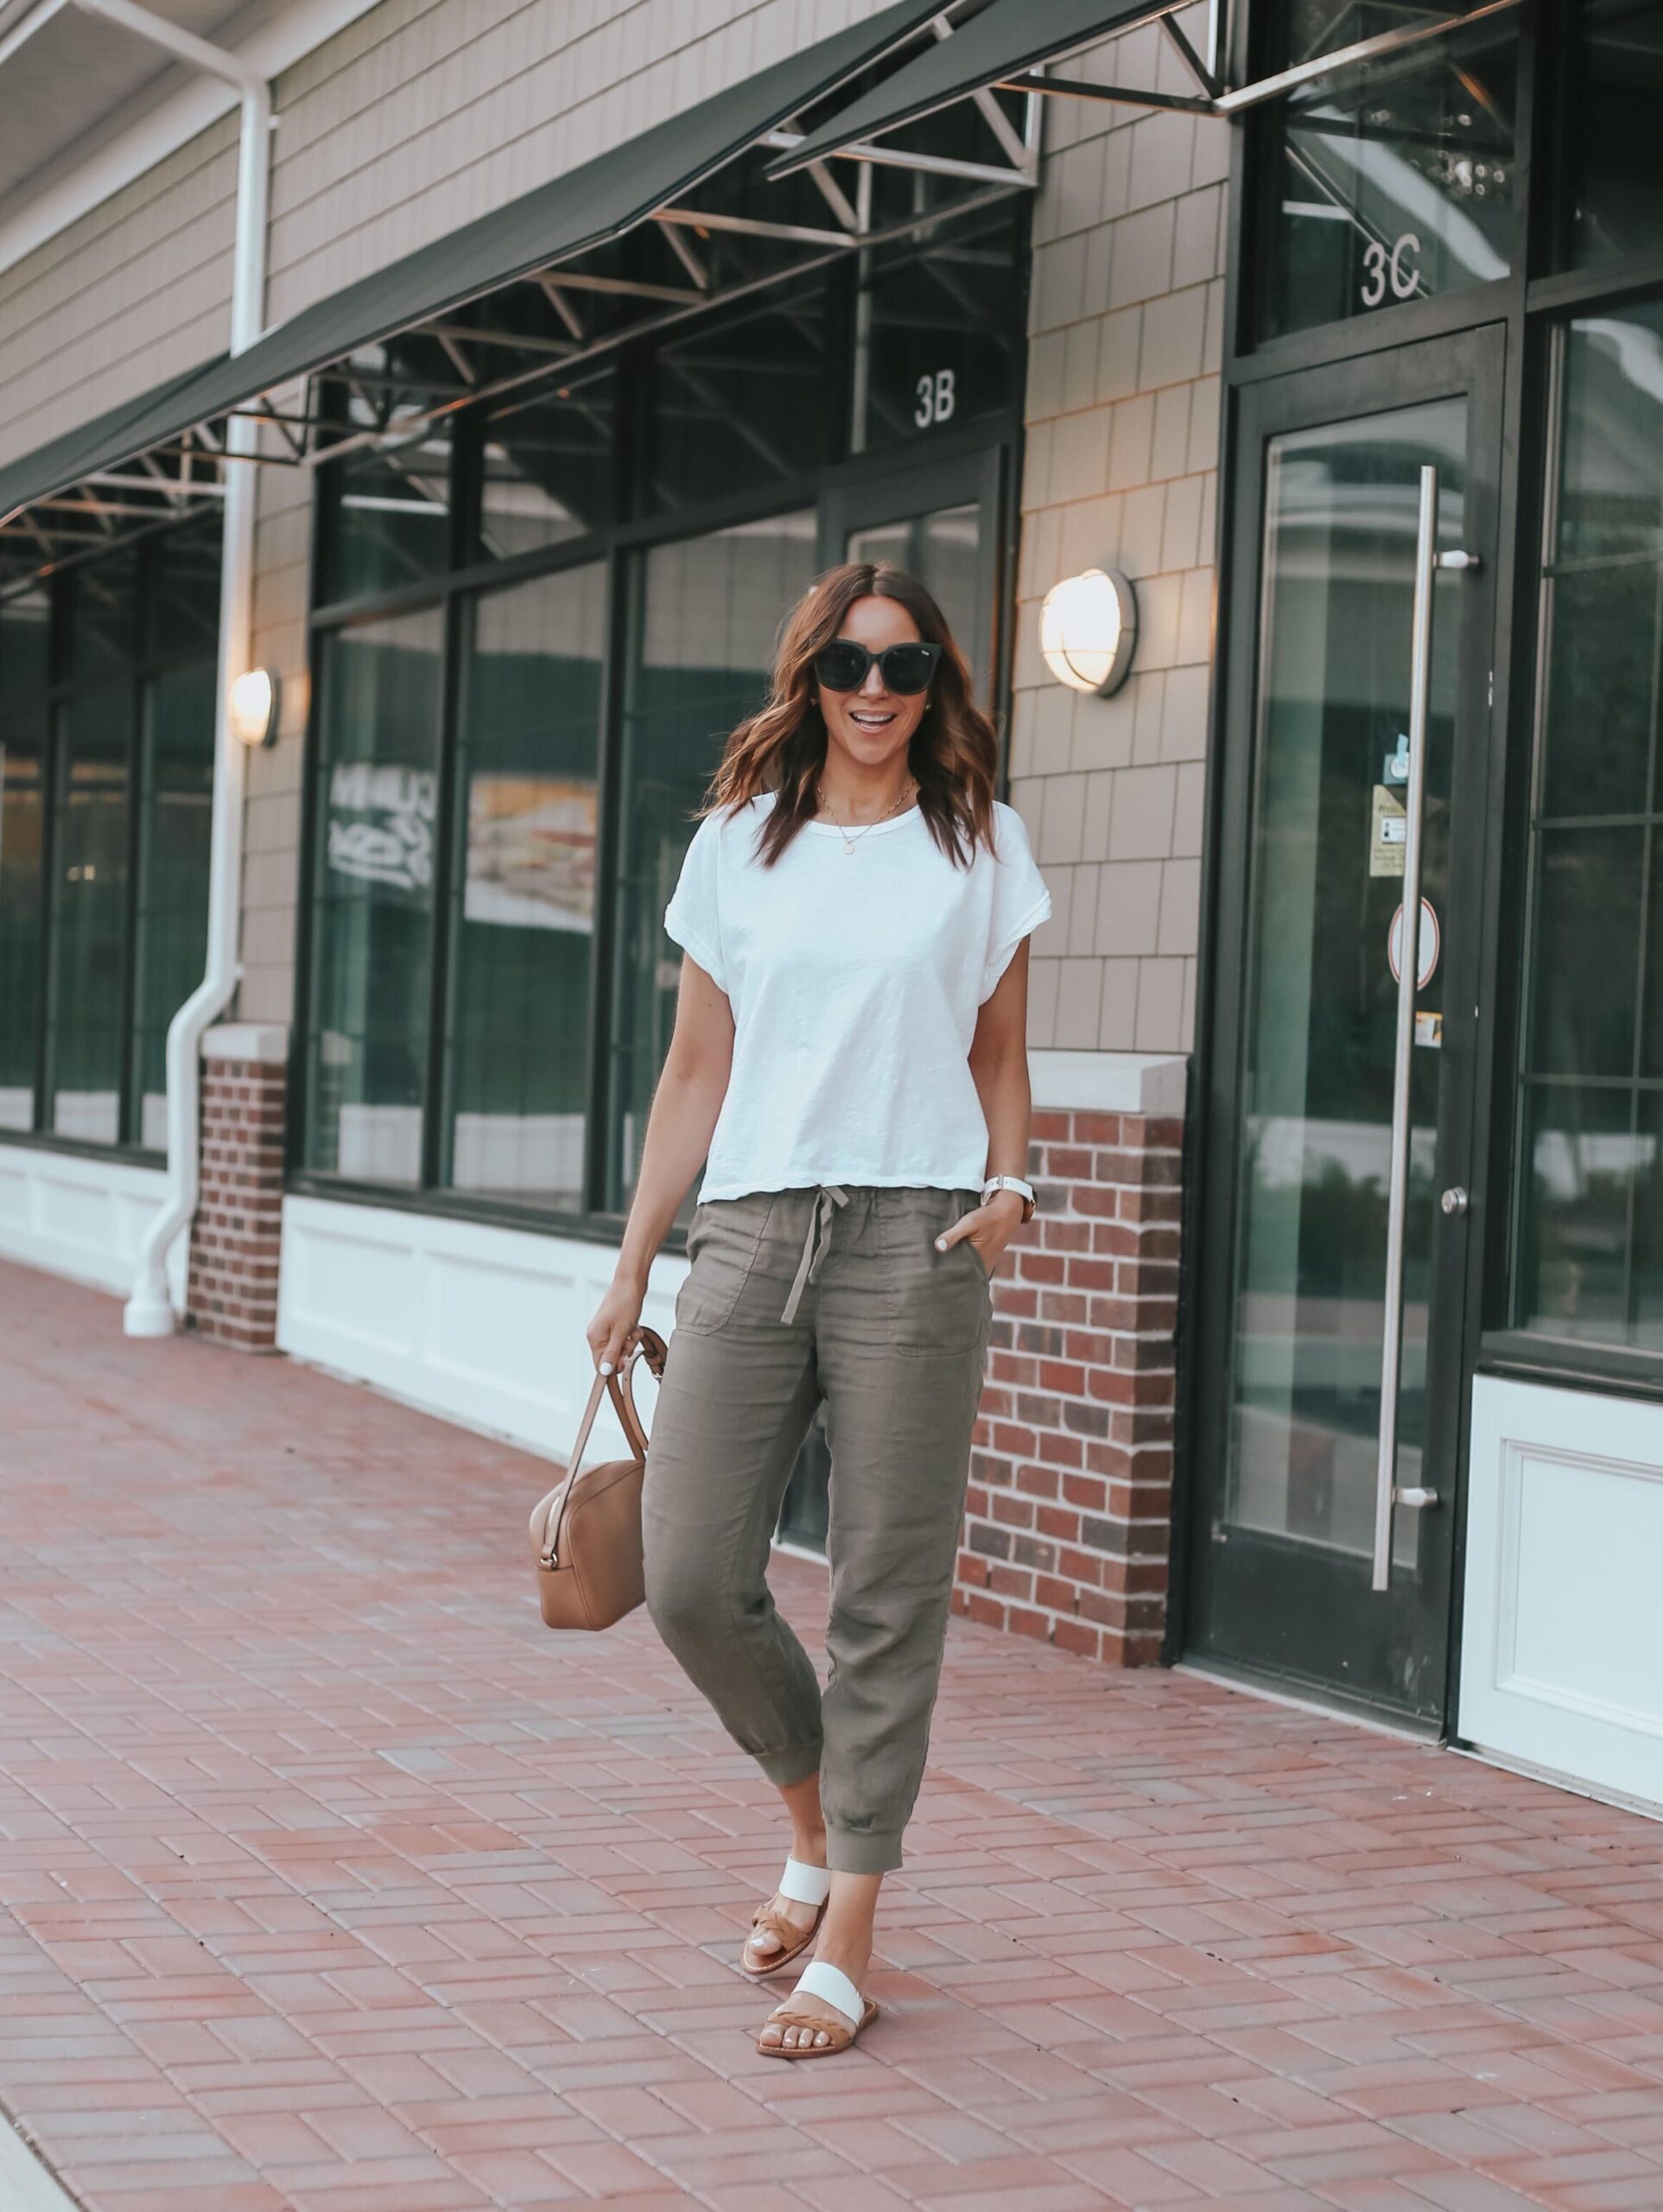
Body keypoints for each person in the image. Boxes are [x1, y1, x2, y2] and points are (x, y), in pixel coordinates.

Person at [585, 560, 1050, 2060]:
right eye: (850, 663)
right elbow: (692, 1075)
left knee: (884, 1592)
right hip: (752, 1230)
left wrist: (1013, 1189)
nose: (874, 689)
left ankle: (849, 1924)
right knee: (690, 1567)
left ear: (936, 686)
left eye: (905, 666)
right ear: (809, 673)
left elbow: (997, 1060)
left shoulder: (978, 848)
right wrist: (630, 1262)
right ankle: (808, 1821)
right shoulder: (737, 847)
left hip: (918, 1235)